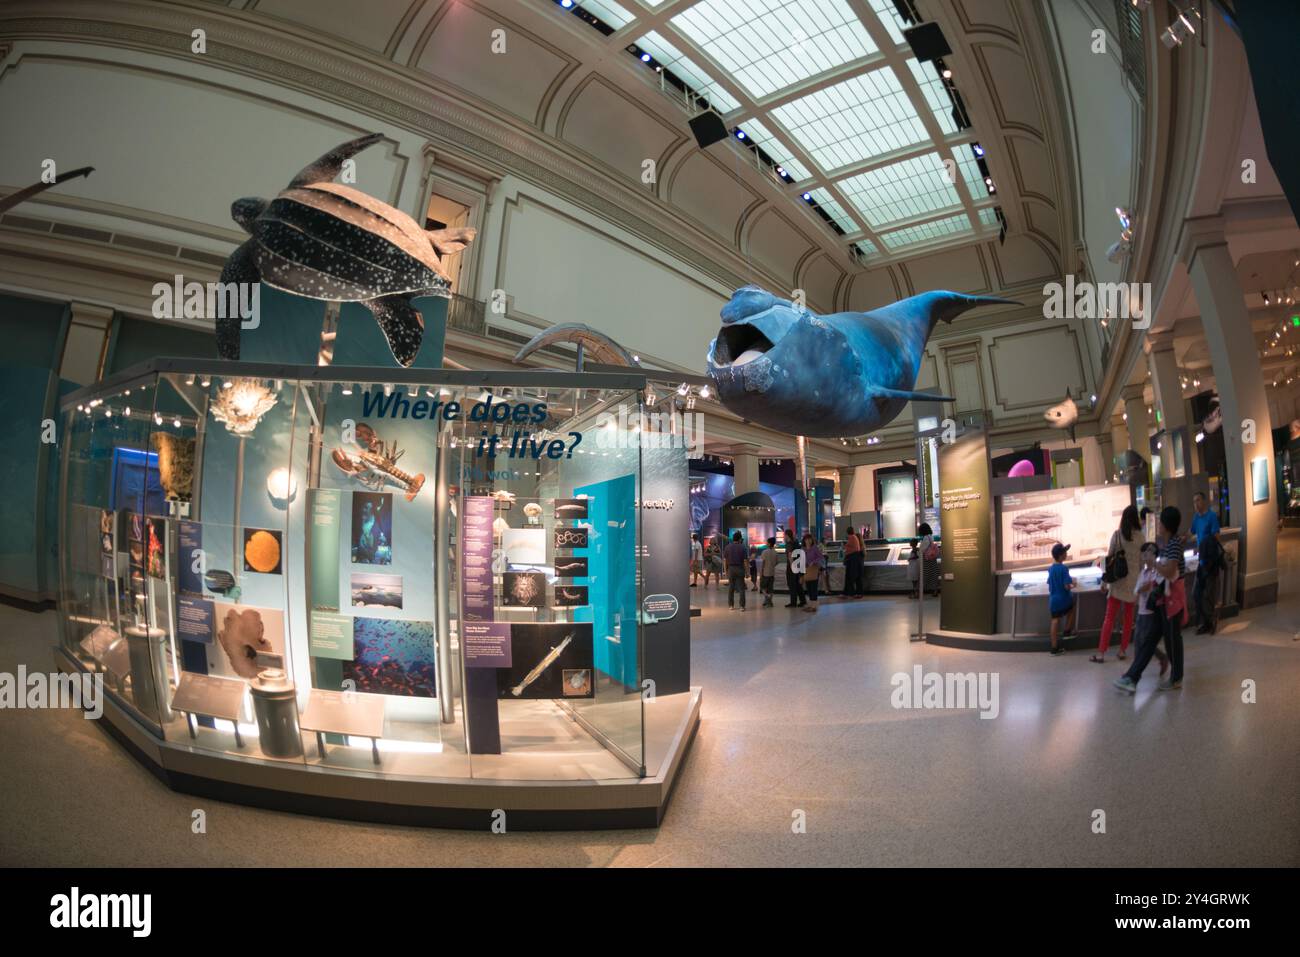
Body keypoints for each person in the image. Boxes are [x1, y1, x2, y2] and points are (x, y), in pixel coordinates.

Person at [1115, 506, 1187, 692]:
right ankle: (1131, 677)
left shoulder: (1173, 544)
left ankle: (1175, 678)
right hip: (1163, 602)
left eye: (1161, 522)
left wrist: (1153, 563)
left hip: (1171, 603)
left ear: (1166, 525)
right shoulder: (1168, 544)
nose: (1159, 525)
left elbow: (1170, 572)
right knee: (1150, 641)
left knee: (1172, 642)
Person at [1110, 543, 1168, 693]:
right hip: (1142, 612)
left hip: (1152, 614)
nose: (1144, 558)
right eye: (1143, 555)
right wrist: (1142, 588)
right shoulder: (1143, 573)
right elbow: (1137, 590)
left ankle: (1133, 676)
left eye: (1147, 555)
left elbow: (1158, 587)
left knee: (1144, 645)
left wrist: (1148, 587)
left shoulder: (1158, 571)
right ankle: (1159, 660)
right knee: (1141, 643)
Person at [1092, 505, 1143, 662]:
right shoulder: (1141, 537)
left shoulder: (1117, 535)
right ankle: (1122, 651)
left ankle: (1101, 653)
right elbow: (1142, 564)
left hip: (1117, 581)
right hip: (1133, 582)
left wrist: (1103, 582)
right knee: (1128, 618)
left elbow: (1108, 559)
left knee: (1109, 617)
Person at [1189, 492, 1221, 635]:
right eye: (1194, 501)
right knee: (1197, 593)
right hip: (1201, 562)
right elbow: (1191, 532)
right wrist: (1180, 539)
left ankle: (1211, 621)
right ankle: (1206, 621)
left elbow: (1216, 536)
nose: (1196, 504)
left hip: (1210, 562)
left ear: (1204, 501)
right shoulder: (1196, 518)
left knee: (1208, 593)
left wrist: (1204, 548)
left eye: (1198, 500)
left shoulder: (1211, 516)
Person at [1047, 542, 1076, 656]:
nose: (1066, 553)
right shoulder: (1064, 569)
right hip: (1064, 599)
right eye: (1065, 552)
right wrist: (1074, 584)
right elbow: (1066, 586)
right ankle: (1067, 632)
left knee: (1055, 621)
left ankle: (1054, 648)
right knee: (1072, 609)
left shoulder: (1050, 569)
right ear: (1060, 556)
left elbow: (1050, 584)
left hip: (1053, 601)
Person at [724, 531, 749, 611]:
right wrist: (747, 571)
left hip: (731, 569)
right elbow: (745, 561)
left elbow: (725, 560)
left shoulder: (727, 547)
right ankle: (742, 606)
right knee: (741, 588)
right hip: (740, 568)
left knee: (731, 587)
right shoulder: (743, 547)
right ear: (739, 539)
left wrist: (725, 571)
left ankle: (731, 605)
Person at [784, 529, 806, 608]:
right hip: (798, 565)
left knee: (792, 584)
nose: (784, 537)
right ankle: (803, 600)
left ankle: (793, 602)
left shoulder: (789, 544)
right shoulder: (796, 542)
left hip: (792, 566)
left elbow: (790, 556)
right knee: (797, 584)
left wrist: (791, 566)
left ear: (787, 535)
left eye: (784, 535)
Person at [802, 533, 823, 613]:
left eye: (809, 539)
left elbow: (820, 557)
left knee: (813, 588)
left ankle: (814, 606)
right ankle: (810, 605)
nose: (808, 541)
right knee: (809, 588)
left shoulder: (815, 548)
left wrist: (813, 562)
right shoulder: (803, 549)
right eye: (806, 539)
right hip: (806, 570)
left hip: (813, 570)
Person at [917, 522, 939, 597]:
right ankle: (935, 591)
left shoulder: (926, 537)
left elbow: (922, 549)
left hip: (927, 559)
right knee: (933, 574)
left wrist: (919, 551)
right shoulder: (931, 536)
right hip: (932, 558)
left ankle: (920, 592)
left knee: (924, 575)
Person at [842, 525, 864, 598]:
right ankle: (855, 593)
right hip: (855, 559)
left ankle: (850, 593)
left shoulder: (851, 537)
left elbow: (846, 547)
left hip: (852, 559)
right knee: (856, 577)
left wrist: (844, 545)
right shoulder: (855, 538)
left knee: (850, 576)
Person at [759, 536, 778, 607]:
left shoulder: (764, 552)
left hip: (765, 573)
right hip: (772, 573)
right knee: (770, 588)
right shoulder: (775, 552)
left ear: (769, 543)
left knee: (763, 587)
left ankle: (767, 598)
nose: (766, 543)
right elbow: (776, 563)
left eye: (767, 542)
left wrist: (761, 572)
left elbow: (763, 563)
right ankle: (769, 601)